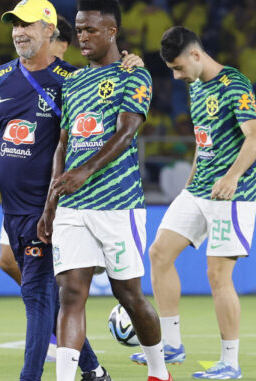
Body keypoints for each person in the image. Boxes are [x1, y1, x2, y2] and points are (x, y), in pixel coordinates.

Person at [0, 1, 142, 379]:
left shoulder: (73, 80)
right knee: (42, 295)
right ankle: (93, 370)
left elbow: (112, 95)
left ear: (50, 31)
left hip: (50, 211)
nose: (18, 32)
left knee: (36, 296)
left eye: (27, 25)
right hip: (12, 212)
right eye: (15, 26)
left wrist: (132, 64)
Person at [37, 1, 171, 380]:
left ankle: (159, 372)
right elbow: (63, 144)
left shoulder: (135, 76)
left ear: (112, 32)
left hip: (119, 204)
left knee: (128, 295)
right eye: (79, 29)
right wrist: (52, 201)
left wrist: (85, 171)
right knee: (71, 295)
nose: (82, 36)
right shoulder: (74, 82)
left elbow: (126, 132)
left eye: (91, 30)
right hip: (72, 207)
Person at [130, 26, 256, 380]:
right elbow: (202, 143)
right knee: (159, 253)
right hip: (199, 190)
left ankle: (230, 363)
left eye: (177, 68)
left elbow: (255, 137)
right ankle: (171, 344)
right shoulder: (196, 87)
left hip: (233, 196)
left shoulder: (235, 84)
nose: (176, 76)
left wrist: (232, 176)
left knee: (218, 275)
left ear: (195, 55)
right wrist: (188, 187)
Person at [0, 14, 75, 289]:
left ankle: (51, 313)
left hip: (49, 192)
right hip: (17, 199)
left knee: (55, 272)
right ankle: (48, 307)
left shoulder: (71, 80)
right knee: (6, 260)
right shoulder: (9, 76)